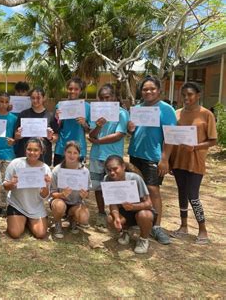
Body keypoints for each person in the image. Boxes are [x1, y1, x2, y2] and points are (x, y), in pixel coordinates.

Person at [127, 76, 176, 245]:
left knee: (153, 190)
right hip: (135, 154)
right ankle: (137, 220)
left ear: (159, 90)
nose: (148, 92)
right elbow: (133, 132)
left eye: (152, 89)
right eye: (145, 89)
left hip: (153, 157)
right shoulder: (138, 108)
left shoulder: (166, 109)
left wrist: (165, 159)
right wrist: (130, 128)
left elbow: (170, 136)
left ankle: (156, 226)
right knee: (135, 189)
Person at [169, 82, 217, 244]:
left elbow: (212, 140)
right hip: (178, 160)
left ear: (198, 95)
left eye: (189, 94)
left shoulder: (206, 115)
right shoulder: (176, 114)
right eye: (183, 95)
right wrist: (168, 161)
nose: (186, 98)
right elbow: (170, 138)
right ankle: (183, 226)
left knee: (193, 195)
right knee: (182, 193)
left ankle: (203, 230)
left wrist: (196, 146)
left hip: (195, 161)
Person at [87, 84, 129, 230]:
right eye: (102, 98)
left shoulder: (122, 113)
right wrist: (98, 126)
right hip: (96, 155)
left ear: (114, 97)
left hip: (113, 157)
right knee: (98, 187)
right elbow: (91, 135)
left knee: (114, 187)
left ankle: (116, 216)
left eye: (108, 97)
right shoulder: (96, 113)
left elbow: (119, 134)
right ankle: (101, 213)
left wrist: (98, 141)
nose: (105, 100)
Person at [105, 155, 155, 254]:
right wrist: (116, 218)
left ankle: (143, 239)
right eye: (109, 170)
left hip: (140, 211)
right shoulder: (107, 179)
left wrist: (134, 207)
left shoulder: (135, 178)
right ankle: (125, 232)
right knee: (111, 219)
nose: (112, 172)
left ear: (123, 167)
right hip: (124, 212)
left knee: (145, 215)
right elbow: (113, 204)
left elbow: (149, 204)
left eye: (115, 169)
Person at [4, 138, 52, 239]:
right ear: (25, 150)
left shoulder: (45, 169)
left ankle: (28, 221)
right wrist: (12, 183)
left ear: (41, 151)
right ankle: (20, 220)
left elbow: (45, 195)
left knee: (41, 234)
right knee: (15, 233)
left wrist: (45, 185)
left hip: (35, 207)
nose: (32, 153)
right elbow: (5, 186)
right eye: (29, 149)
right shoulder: (15, 163)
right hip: (17, 205)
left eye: (36, 150)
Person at [50, 141, 90, 239]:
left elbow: (87, 192)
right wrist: (62, 195)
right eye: (69, 152)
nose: (72, 155)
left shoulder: (84, 171)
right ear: (64, 152)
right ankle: (58, 223)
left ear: (79, 154)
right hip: (60, 201)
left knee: (84, 217)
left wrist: (85, 195)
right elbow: (52, 193)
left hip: (76, 203)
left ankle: (73, 219)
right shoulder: (57, 170)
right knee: (59, 205)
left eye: (75, 153)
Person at [14, 87, 58, 166]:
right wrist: (18, 135)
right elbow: (15, 135)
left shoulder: (50, 116)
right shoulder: (23, 114)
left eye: (38, 98)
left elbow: (56, 136)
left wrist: (51, 137)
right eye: (33, 98)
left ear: (43, 98)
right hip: (24, 155)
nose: (35, 101)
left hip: (43, 157)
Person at [54, 77, 90, 166]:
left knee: (77, 177)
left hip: (79, 149)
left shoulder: (87, 106)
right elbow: (56, 128)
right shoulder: (60, 105)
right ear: (67, 89)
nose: (73, 91)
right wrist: (57, 119)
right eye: (70, 89)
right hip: (61, 147)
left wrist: (84, 123)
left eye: (76, 89)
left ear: (80, 91)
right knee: (59, 176)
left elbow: (90, 130)